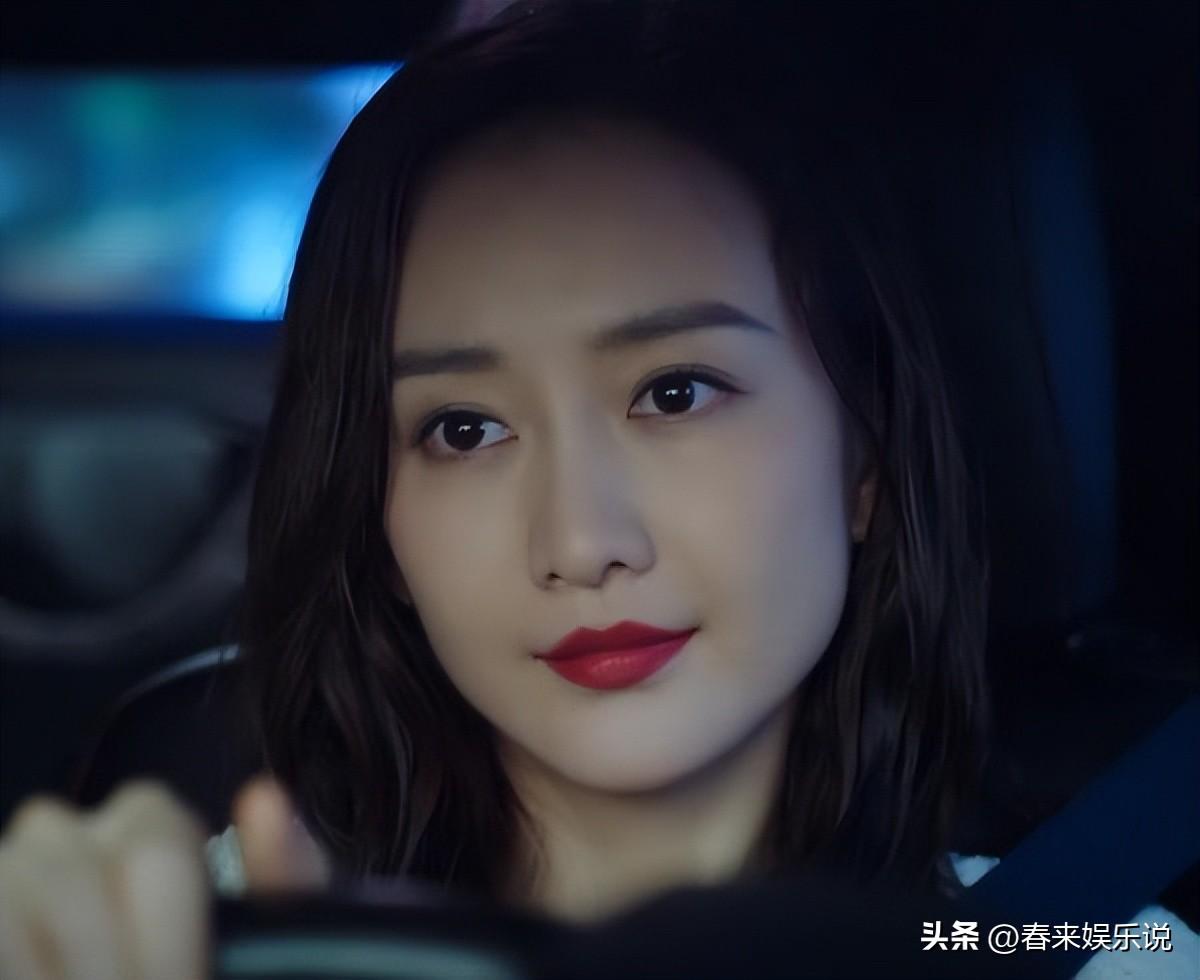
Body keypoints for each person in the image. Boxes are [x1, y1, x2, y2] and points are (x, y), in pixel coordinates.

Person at [0, 2, 995, 976]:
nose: (581, 542)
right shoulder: (180, 940)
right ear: (379, 521)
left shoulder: (1042, 944)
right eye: (464, 430)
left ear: (864, 460)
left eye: (675, 393)